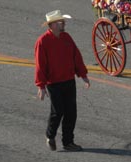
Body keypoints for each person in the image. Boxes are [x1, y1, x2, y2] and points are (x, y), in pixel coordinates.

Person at [35, 10, 90, 152]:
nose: (63, 23)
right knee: (57, 111)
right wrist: (41, 86)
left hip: (69, 81)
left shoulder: (66, 37)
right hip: (54, 83)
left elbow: (76, 56)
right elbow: (40, 65)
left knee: (71, 112)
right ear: (52, 25)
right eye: (60, 22)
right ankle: (50, 135)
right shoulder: (43, 41)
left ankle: (68, 142)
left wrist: (83, 74)